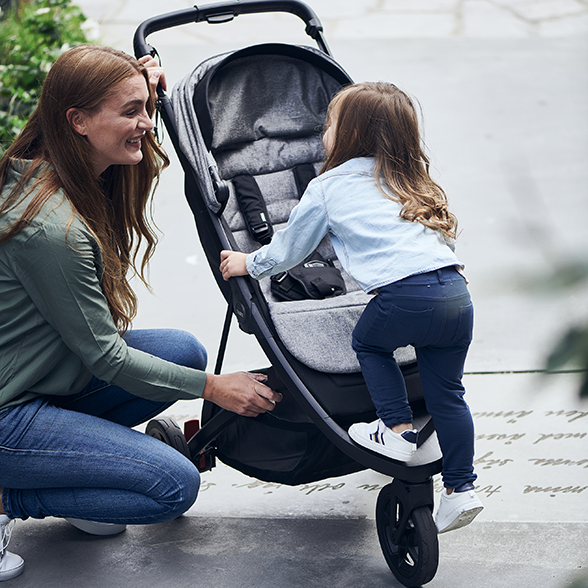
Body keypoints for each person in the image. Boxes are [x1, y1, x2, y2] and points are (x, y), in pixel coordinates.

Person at [0, 44, 282, 581]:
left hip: (39, 378)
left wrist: (141, 92)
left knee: (183, 351)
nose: (146, 125)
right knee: (173, 485)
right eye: (131, 112)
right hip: (7, 414)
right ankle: (9, 494)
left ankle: (75, 476)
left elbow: (140, 168)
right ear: (77, 121)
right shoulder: (51, 230)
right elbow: (105, 357)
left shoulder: (66, 174)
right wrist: (213, 387)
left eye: (146, 109)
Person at [220, 81, 483, 535]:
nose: (323, 133)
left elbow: (288, 252)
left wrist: (249, 261)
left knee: (369, 343)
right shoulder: (413, 181)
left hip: (405, 296)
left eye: (329, 125)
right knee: (448, 396)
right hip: (456, 294)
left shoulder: (328, 186)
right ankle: (462, 489)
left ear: (350, 135)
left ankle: (396, 430)